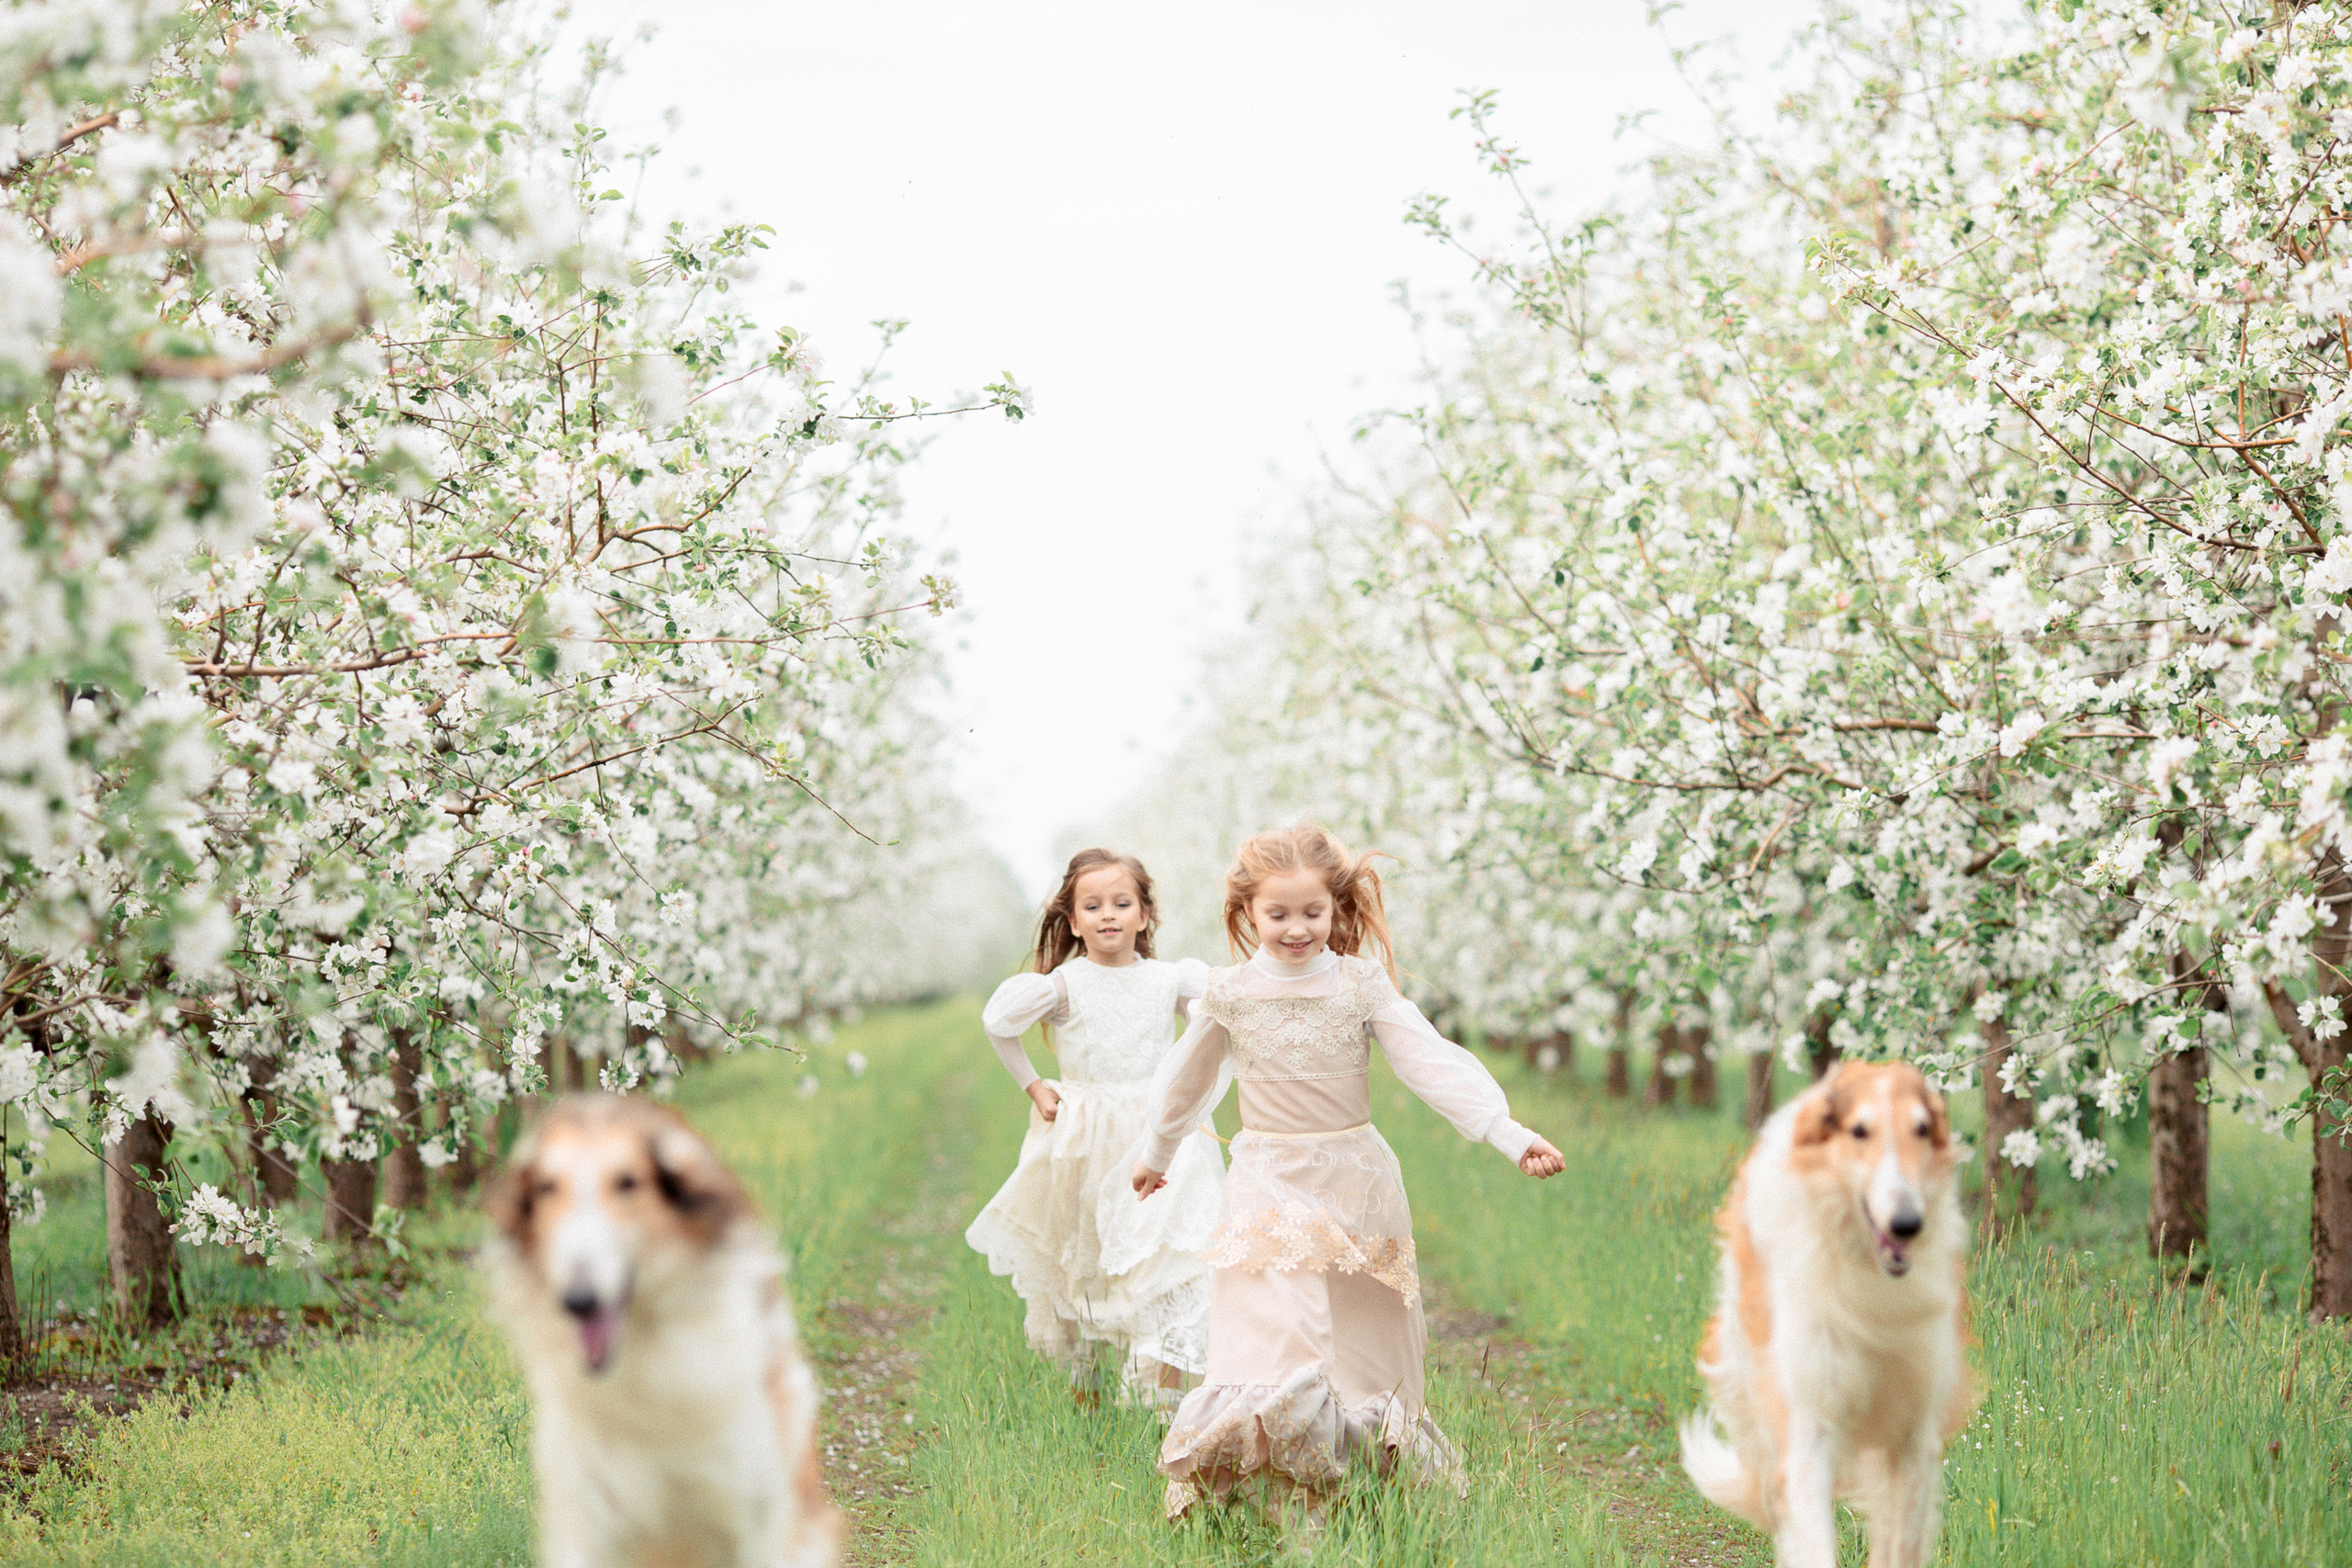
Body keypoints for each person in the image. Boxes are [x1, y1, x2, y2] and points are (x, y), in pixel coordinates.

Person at [1131, 825, 1565, 1522]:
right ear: (1247, 913)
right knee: (1280, 1330)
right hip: (1268, 1180)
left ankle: (1354, 1483)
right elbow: (1188, 1080)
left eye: (1313, 912)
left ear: (1336, 907)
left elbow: (1428, 1062)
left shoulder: (1360, 983)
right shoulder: (1231, 992)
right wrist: (1157, 1151)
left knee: (1362, 1339)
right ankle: (1279, 1492)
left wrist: (1507, 1134)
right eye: (1278, 914)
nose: (1297, 928)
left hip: (1355, 1182)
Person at [965, 848, 1226, 1404]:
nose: (1108, 914)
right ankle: (1084, 1389)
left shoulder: (1168, 980)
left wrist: (1188, 1088)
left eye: (1121, 903)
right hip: (1087, 1136)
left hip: (1156, 1134)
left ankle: (1161, 1394)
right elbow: (999, 1023)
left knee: (1163, 1254)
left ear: (1144, 915)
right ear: (1074, 921)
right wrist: (1034, 1085)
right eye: (1093, 906)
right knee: (1084, 1251)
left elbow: (1212, 1024)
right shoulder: (1064, 984)